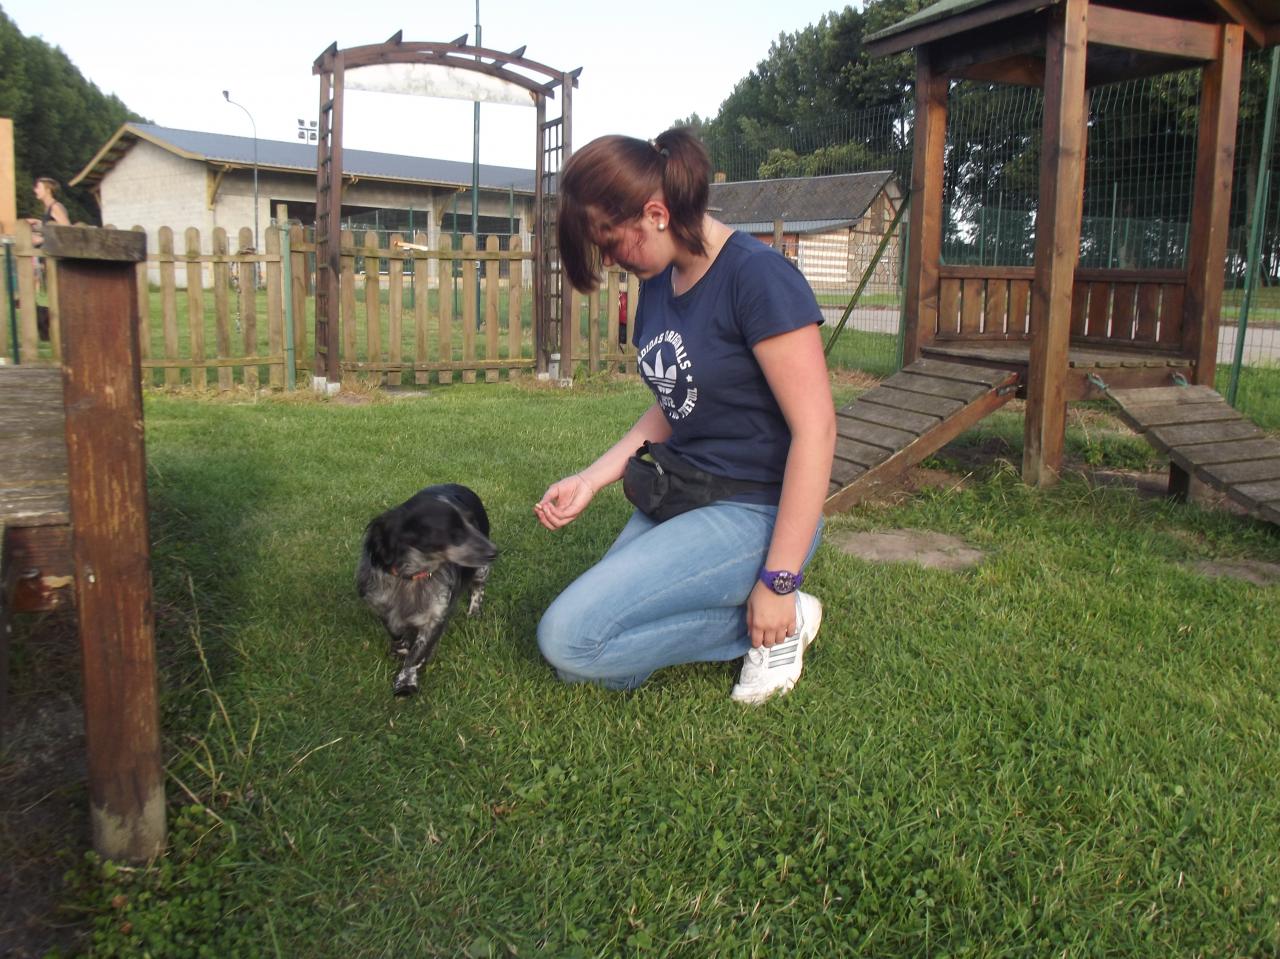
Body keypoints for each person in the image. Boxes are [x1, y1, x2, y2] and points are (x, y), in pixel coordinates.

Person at [533, 128, 836, 704]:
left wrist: (777, 580)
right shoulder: (661, 278)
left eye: (609, 241)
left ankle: (783, 616)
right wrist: (592, 478)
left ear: (655, 213)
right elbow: (679, 400)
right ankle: (750, 613)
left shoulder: (757, 278)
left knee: (569, 639)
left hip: (755, 508)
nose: (609, 259)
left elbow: (816, 431)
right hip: (684, 491)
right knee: (599, 663)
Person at [26, 177, 70, 249]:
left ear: (48, 190)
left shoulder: (55, 207)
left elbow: (67, 232)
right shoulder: (48, 208)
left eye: (38, 188)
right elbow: (52, 226)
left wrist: (41, 240)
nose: (35, 190)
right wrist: (38, 222)